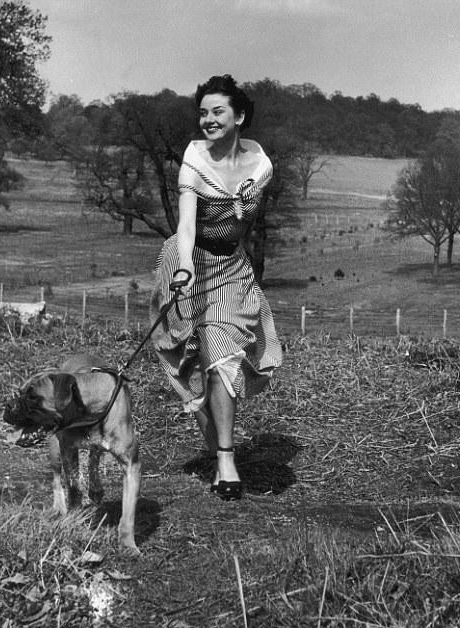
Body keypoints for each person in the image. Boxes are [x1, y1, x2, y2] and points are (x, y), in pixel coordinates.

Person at [150, 74, 283, 501]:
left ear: (239, 116)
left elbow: (243, 222)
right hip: (189, 260)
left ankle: (223, 456)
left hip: (229, 265)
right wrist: (184, 269)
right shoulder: (193, 160)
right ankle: (223, 453)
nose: (207, 119)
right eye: (203, 112)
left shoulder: (261, 167)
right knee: (198, 353)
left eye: (217, 111)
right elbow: (186, 226)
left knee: (222, 353)